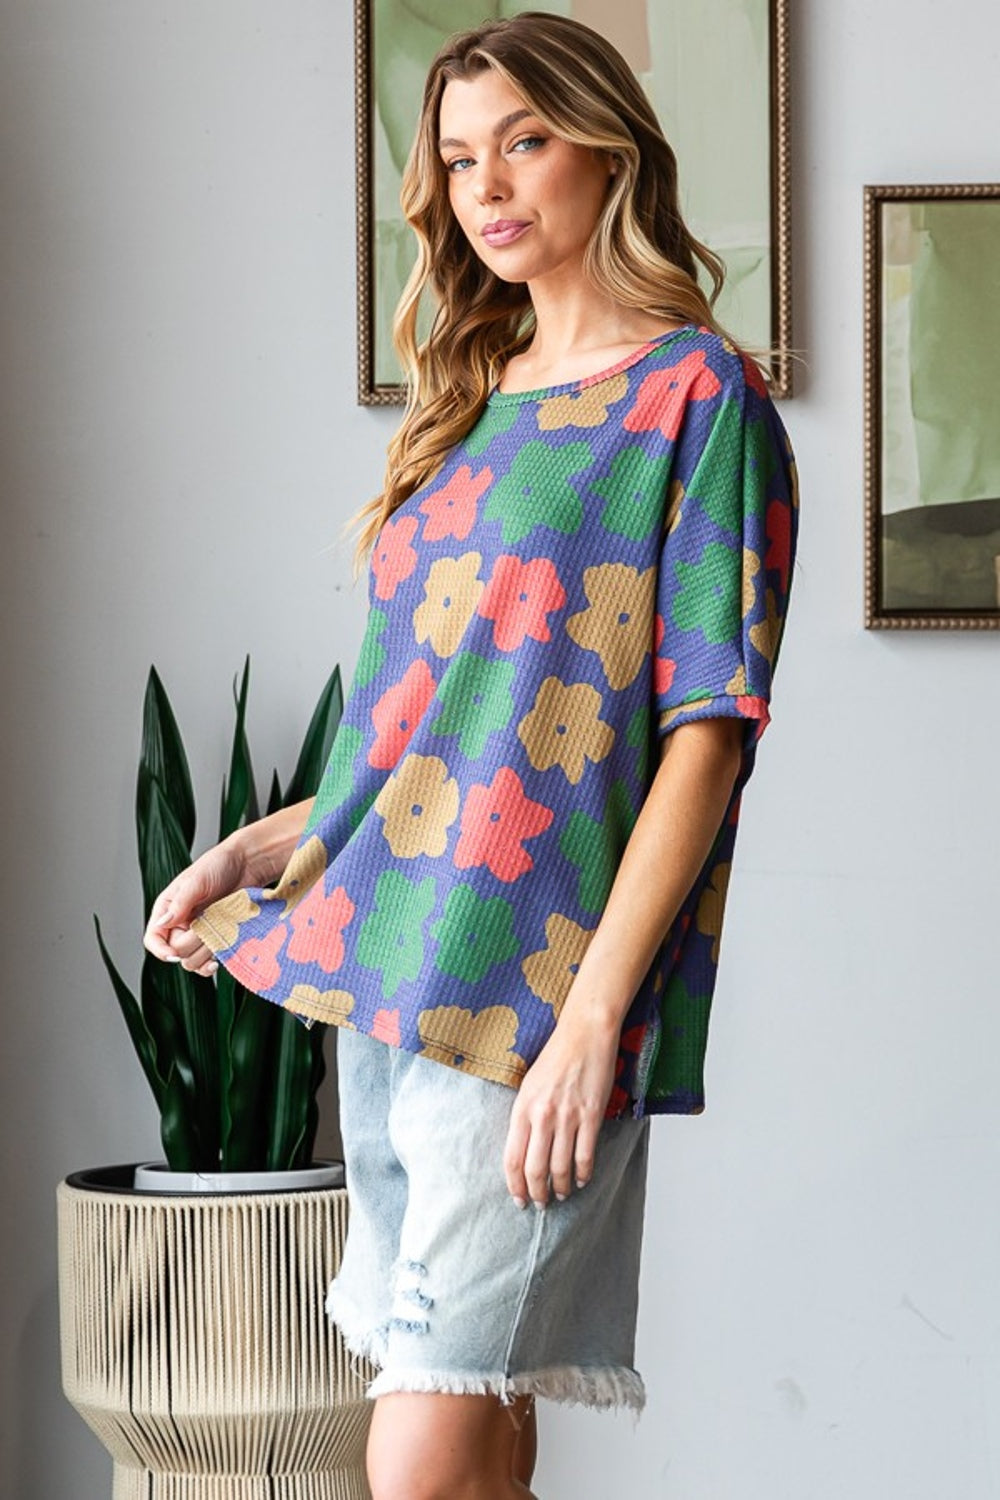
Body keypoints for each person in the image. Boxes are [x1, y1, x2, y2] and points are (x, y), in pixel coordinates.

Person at [143, 13, 798, 1498]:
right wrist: (256, 850)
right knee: (481, 1451)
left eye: (524, 140)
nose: (487, 185)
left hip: (531, 1003)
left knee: (420, 1463)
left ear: (607, 149)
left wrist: (593, 1020)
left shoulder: (697, 397)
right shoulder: (468, 407)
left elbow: (706, 738)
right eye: (455, 158)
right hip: (391, 990)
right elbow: (432, 744)